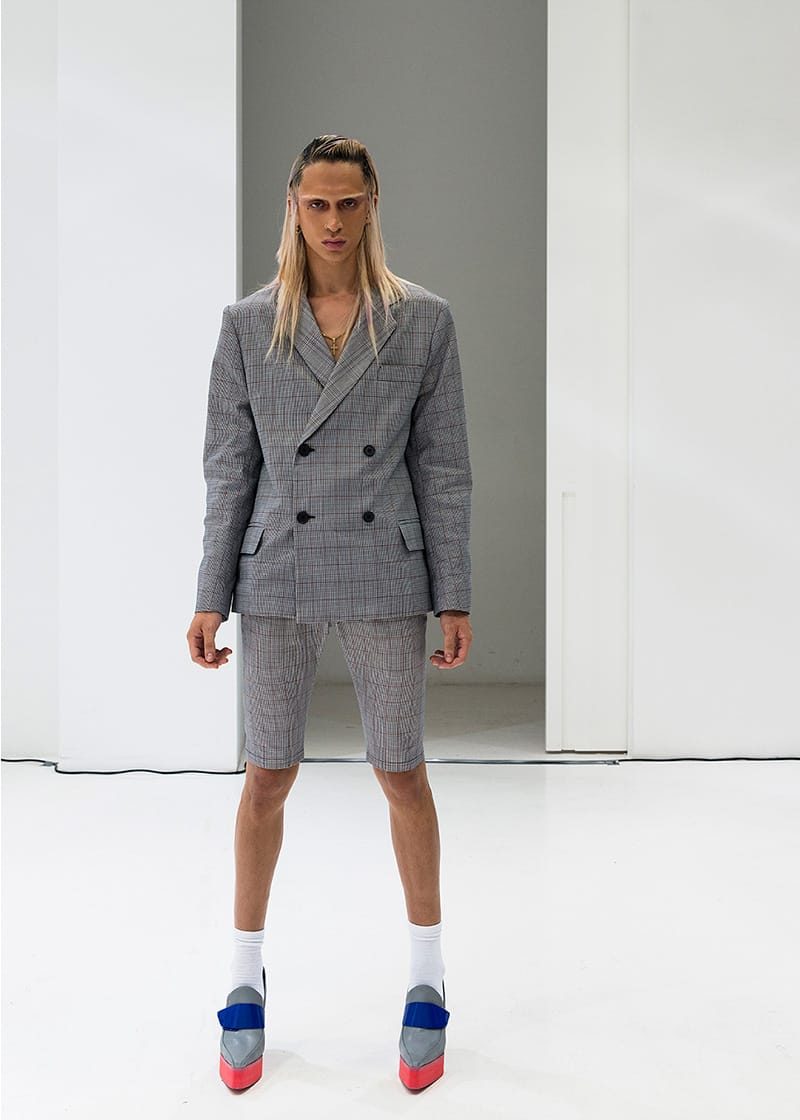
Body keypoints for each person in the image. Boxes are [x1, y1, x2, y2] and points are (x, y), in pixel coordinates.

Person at [186, 135, 473, 1092]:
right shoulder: (247, 324)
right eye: (317, 204)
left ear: (372, 204)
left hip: (385, 568)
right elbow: (230, 469)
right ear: (294, 207)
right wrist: (210, 593)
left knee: (402, 771)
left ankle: (428, 974)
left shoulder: (422, 321)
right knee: (267, 775)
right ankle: (242, 974)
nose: (334, 222)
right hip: (278, 571)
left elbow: (443, 466)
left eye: (349, 203)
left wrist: (453, 591)